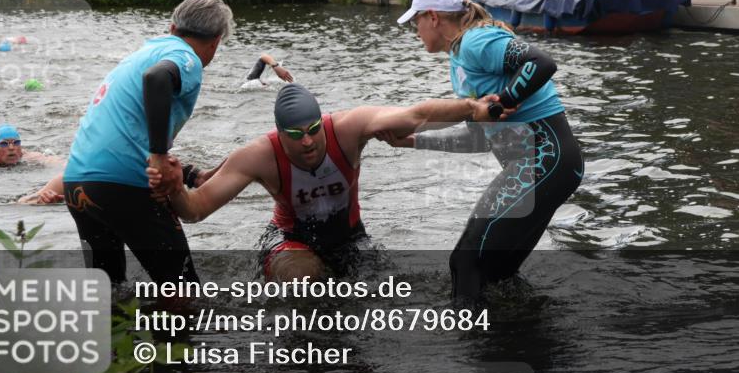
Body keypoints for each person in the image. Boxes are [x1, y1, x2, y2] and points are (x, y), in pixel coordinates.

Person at [148, 83, 510, 283]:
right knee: (305, 282)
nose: (307, 142)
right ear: (279, 133)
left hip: (350, 237)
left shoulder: (348, 129)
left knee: (388, 291)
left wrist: (471, 108)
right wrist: (175, 189)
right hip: (290, 241)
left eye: (313, 130)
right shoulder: (258, 156)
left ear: (322, 122)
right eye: (295, 135)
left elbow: (414, 114)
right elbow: (196, 210)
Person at [390, 0, 584, 300]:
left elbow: (542, 62)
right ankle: (515, 342)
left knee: (464, 262)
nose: (416, 29)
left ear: (434, 17)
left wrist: (504, 101)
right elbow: (482, 138)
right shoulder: (459, 61)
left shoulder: (475, 41)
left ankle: (466, 344)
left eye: (417, 20)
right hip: (550, 166)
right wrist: (412, 140)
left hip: (543, 161)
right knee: (495, 271)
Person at [62, 0, 234, 287]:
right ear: (216, 41)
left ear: (171, 27)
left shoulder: (145, 52)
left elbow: (130, 128)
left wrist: (190, 174)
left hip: (78, 182)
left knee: (110, 292)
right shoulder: (186, 57)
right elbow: (157, 79)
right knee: (184, 292)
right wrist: (157, 156)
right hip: (123, 184)